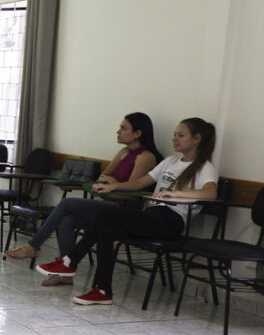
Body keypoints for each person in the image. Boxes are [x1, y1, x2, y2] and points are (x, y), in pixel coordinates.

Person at [37, 117, 219, 305]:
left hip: (171, 222)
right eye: (174, 134)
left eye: (181, 135)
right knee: (106, 231)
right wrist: (113, 187)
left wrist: (176, 194)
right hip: (152, 216)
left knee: (106, 215)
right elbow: (140, 183)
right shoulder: (170, 161)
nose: (175, 139)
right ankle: (102, 290)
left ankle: (70, 262)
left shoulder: (205, 167)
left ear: (197, 139)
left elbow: (211, 193)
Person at [5, 112, 162, 286]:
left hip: (126, 210)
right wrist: (111, 184)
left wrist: (112, 184)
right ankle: (65, 274)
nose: (118, 131)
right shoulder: (124, 152)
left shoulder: (146, 157)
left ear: (138, 133)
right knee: (67, 221)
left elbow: (130, 190)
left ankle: (32, 246)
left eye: (123, 128)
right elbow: (103, 176)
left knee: (67, 203)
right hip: (109, 204)